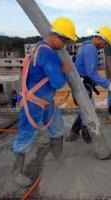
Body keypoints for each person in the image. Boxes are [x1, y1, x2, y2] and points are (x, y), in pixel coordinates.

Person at [12, 17, 77, 187]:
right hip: (33, 101)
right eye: (67, 41)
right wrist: (63, 71)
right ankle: (17, 172)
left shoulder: (40, 46)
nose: (67, 45)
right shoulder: (48, 54)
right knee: (26, 133)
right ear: (57, 37)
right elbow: (57, 83)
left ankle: (59, 156)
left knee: (57, 126)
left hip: (45, 99)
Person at [66, 26, 111, 143]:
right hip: (82, 85)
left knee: (84, 108)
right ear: (100, 38)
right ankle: (89, 135)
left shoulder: (85, 45)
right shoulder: (91, 49)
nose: (104, 47)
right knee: (88, 110)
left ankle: (74, 132)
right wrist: (108, 84)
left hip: (80, 83)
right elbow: (91, 72)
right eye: (105, 44)